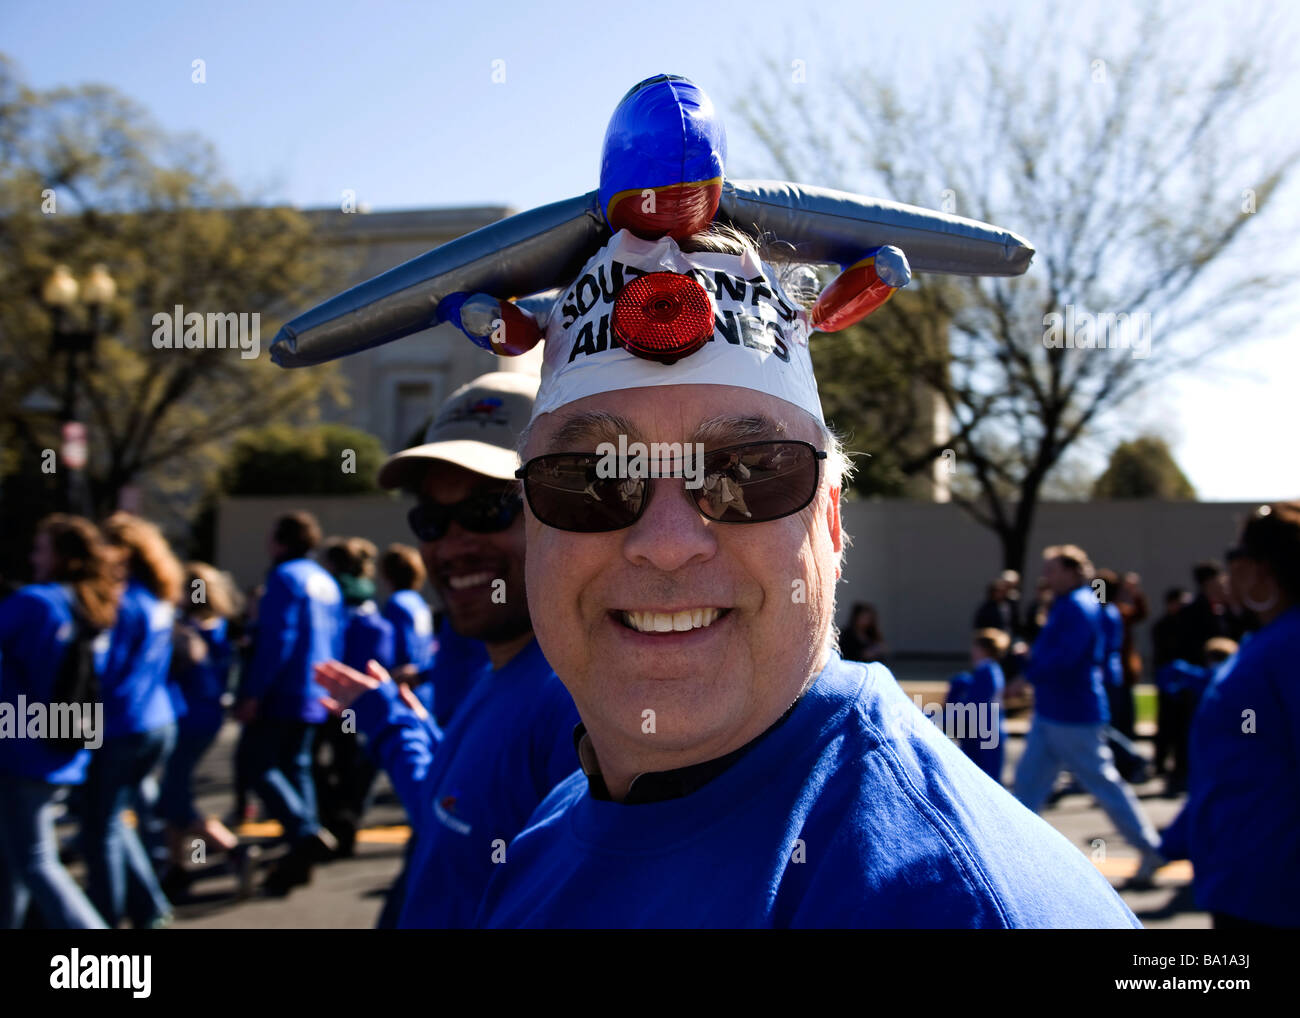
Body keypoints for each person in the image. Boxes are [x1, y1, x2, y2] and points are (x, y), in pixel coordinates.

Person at [473, 227, 1137, 927]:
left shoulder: (961, 906)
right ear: (530, 524)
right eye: (591, 479)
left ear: (829, 522)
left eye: (749, 473)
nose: (665, 545)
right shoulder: (547, 833)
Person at [313, 371, 580, 928]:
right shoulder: (504, 671)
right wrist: (391, 723)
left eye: (489, 509)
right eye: (432, 520)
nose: (453, 544)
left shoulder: (580, 708)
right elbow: (454, 821)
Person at [1160, 503, 1300, 928]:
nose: (1228, 570)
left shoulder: (1290, 643)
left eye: (1234, 556)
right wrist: (1185, 834)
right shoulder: (1267, 640)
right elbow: (1238, 753)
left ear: (1262, 569)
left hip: (1274, 886)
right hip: (1245, 877)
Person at [1013, 545, 1165, 887]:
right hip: (1055, 711)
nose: (1046, 576)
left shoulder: (1078, 607)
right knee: (1027, 788)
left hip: (1073, 714)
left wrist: (1028, 673)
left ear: (1070, 572)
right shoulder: (1070, 604)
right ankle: (1011, 856)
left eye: (1052, 569)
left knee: (1102, 784)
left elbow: (1066, 658)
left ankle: (1151, 849)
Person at [0, 515, 113, 929]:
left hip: (22, 747)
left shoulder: (36, 602)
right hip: (65, 743)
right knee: (14, 860)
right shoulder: (91, 603)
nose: (33, 558)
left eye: (41, 549)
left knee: (34, 862)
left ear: (62, 557)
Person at [79, 512, 182, 928]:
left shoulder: (124, 602)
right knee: (114, 820)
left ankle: (102, 916)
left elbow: (103, 668)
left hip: (121, 724)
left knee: (99, 827)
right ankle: (150, 909)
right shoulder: (158, 597)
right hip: (157, 721)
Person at [235, 511, 344, 896]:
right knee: (297, 766)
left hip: (284, 689)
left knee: (255, 764)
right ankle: (304, 845)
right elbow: (337, 634)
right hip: (315, 688)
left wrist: (252, 692)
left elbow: (277, 639)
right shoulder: (326, 580)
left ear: (281, 541)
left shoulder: (283, 577)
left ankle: (305, 833)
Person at [156, 562, 240, 896]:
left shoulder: (185, 631)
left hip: (187, 718)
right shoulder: (220, 628)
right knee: (176, 791)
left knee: (173, 797)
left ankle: (231, 848)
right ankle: (177, 866)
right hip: (210, 716)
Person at [316, 537, 394, 855]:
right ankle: (347, 823)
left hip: (342, 694)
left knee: (331, 762)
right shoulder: (369, 598)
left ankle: (336, 823)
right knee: (355, 764)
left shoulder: (335, 597)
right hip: (365, 690)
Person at [944, 628, 1008, 782]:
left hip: (983, 733)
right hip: (988, 730)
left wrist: (943, 720)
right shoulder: (991, 670)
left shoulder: (985, 671)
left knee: (981, 782)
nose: (972, 651)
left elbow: (973, 706)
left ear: (983, 650)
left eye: (975, 647)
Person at [380, 544, 435, 683]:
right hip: (422, 677)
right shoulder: (419, 601)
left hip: (404, 679)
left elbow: (399, 646)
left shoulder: (397, 602)